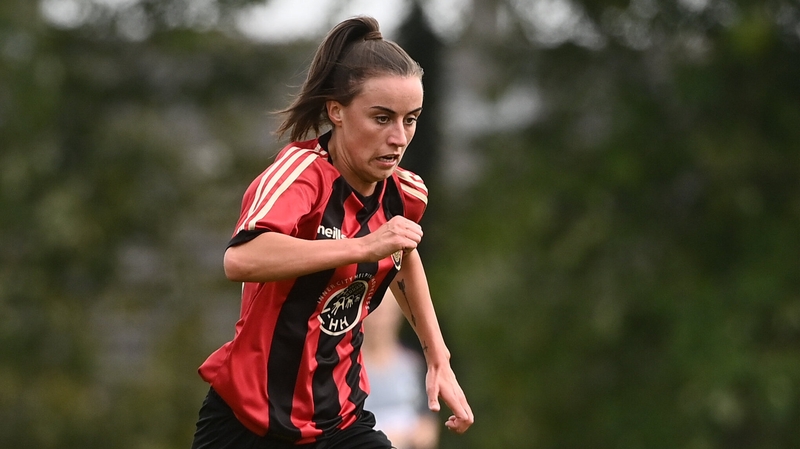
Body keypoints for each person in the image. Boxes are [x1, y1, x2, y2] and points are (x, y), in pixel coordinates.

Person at [190, 16, 474, 449]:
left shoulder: (406, 194)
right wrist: (360, 246)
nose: (398, 138)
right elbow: (241, 259)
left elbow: (402, 258)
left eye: (410, 120)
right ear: (335, 110)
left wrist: (438, 357)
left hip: (338, 421)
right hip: (248, 420)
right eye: (382, 118)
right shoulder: (300, 176)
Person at [362, 290, 440, 449]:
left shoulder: (413, 365)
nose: (380, 319)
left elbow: (428, 422)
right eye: (375, 309)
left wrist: (422, 435)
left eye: (386, 310)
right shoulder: (347, 370)